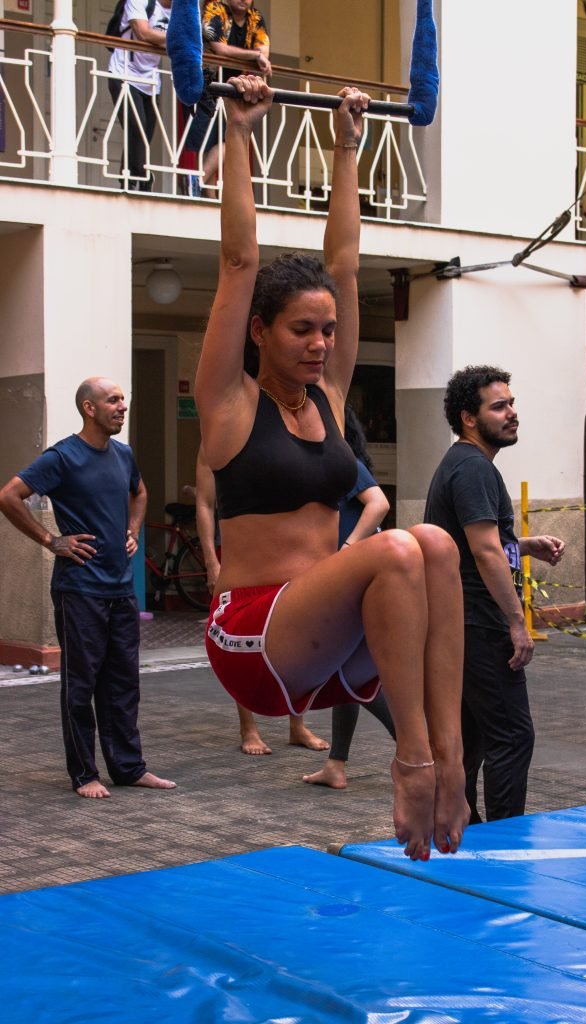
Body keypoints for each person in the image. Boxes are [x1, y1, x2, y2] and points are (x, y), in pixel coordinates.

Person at [196, 75, 469, 862]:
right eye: (300, 331)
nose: (319, 344)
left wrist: (347, 146)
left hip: (320, 642)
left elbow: (343, 265)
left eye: (327, 332)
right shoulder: (228, 405)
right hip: (250, 638)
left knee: (437, 545)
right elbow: (238, 260)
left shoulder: (330, 394)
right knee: (391, 549)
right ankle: (411, 759)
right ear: (259, 332)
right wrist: (240, 132)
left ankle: (445, 756)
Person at [0, 378, 176, 799]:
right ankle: (84, 774)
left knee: (123, 684)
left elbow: (140, 492)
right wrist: (50, 540)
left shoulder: (123, 454)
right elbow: (9, 495)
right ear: (89, 408)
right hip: (78, 590)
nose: (122, 406)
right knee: (81, 685)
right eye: (112, 400)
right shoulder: (63, 456)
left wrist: (132, 529)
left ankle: (129, 768)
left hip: (120, 589)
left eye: (122, 400)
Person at [425, 365, 565, 823]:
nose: (512, 414)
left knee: (473, 735)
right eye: (499, 406)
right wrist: (516, 623)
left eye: (512, 403)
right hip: (479, 623)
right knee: (512, 734)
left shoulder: (464, 464)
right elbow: (485, 554)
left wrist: (524, 544)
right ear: (469, 417)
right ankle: (503, 837)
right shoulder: (472, 468)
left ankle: (461, 827)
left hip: (458, 621)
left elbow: (476, 542)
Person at [193, 444, 330, 754]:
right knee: (244, 638)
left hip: (289, 553)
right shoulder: (217, 438)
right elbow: (204, 502)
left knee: (299, 642)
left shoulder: (285, 432)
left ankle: (297, 725)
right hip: (243, 558)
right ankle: (249, 728)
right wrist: (211, 562)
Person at [303, 405, 395, 789]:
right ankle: (336, 764)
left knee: (348, 675)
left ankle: (418, 748)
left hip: (352, 580)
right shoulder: (321, 463)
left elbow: (380, 504)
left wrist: (348, 548)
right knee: (347, 672)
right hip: (342, 579)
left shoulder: (343, 461)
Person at [184, 0, 271, 190]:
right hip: (204, 83)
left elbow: (265, 50)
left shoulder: (255, 18)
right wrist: (253, 55)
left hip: (231, 90)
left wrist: (257, 55)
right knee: (201, 139)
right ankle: (197, 184)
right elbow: (219, 48)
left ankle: (198, 183)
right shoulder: (215, 9)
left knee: (225, 140)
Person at [108, 0, 173, 192]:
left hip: (151, 81)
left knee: (143, 135)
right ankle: (141, 180)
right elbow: (143, 32)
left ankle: (128, 180)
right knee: (136, 127)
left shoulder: (179, 11)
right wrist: (177, 39)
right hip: (123, 73)